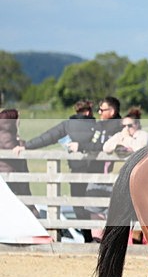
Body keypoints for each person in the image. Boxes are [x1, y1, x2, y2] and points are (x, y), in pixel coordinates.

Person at [13, 99, 99, 242]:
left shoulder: (67, 125)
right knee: (98, 208)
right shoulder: (98, 126)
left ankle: (87, 238)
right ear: (89, 111)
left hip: (76, 172)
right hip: (98, 172)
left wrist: (26, 146)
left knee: (79, 208)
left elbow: (47, 138)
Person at [0, 109, 32, 199]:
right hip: (11, 178)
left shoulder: (4, 133)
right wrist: (21, 143)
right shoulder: (6, 136)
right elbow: (13, 149)